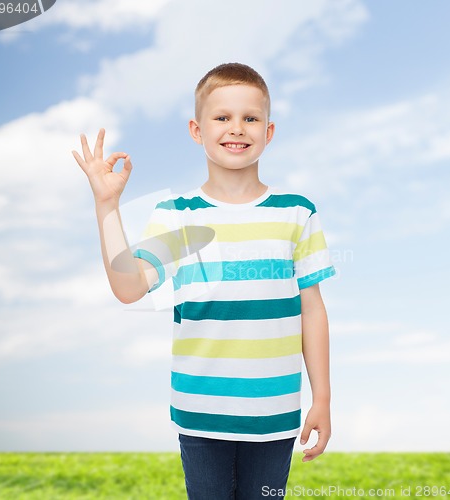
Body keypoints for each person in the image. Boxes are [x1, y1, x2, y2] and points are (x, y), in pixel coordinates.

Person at [72, 62, 336, 500]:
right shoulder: (177, 216)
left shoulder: (297, 212)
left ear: (269, 132)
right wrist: (106, 205)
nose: (237, 128)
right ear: (197, 130)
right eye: (222, 117)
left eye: (251, 118)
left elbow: (313, 308)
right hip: (199, 412)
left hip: (274, 414)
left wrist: (322, 398)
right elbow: (128, 287)